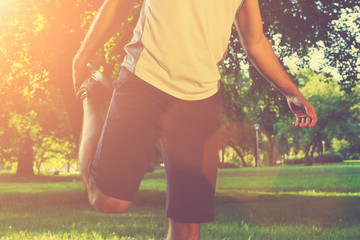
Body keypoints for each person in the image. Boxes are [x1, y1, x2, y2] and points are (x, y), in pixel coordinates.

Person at [72, 0, 318, 239]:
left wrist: (291, 92)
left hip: (201, 99)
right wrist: (82, 56)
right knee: (109, 200)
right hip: (144, 79)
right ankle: (90, 97)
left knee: (188, 228)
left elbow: (255, 41)